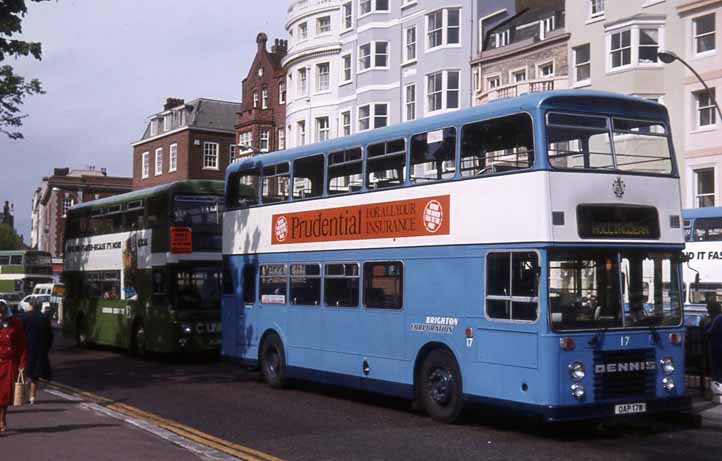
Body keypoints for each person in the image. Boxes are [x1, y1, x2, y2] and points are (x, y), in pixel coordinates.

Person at [0, 299, 27, 433]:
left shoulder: (15, 323)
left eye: (2, 311)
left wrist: (22, 364)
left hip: (8, 364)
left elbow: (21, 346)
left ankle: (2, 419)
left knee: (4, 395)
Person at [22, 298, 53, 404]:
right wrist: (46, 348)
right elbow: (50, 336)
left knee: (24, 373)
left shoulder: (24, 317)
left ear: (30, 305)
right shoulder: (45, 318)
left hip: (26, 349)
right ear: (39, 306)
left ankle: (24, 395)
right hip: (40, 350)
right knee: (35, 374)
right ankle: (32, 397)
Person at [705, 301, 722, 394]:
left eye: (708, 309)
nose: (708, 311)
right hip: (718, 347)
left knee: (717, 370)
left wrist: (708, 323)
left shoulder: (717, 318)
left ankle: (718, 391)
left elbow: (709, 332)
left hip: (717, 348)